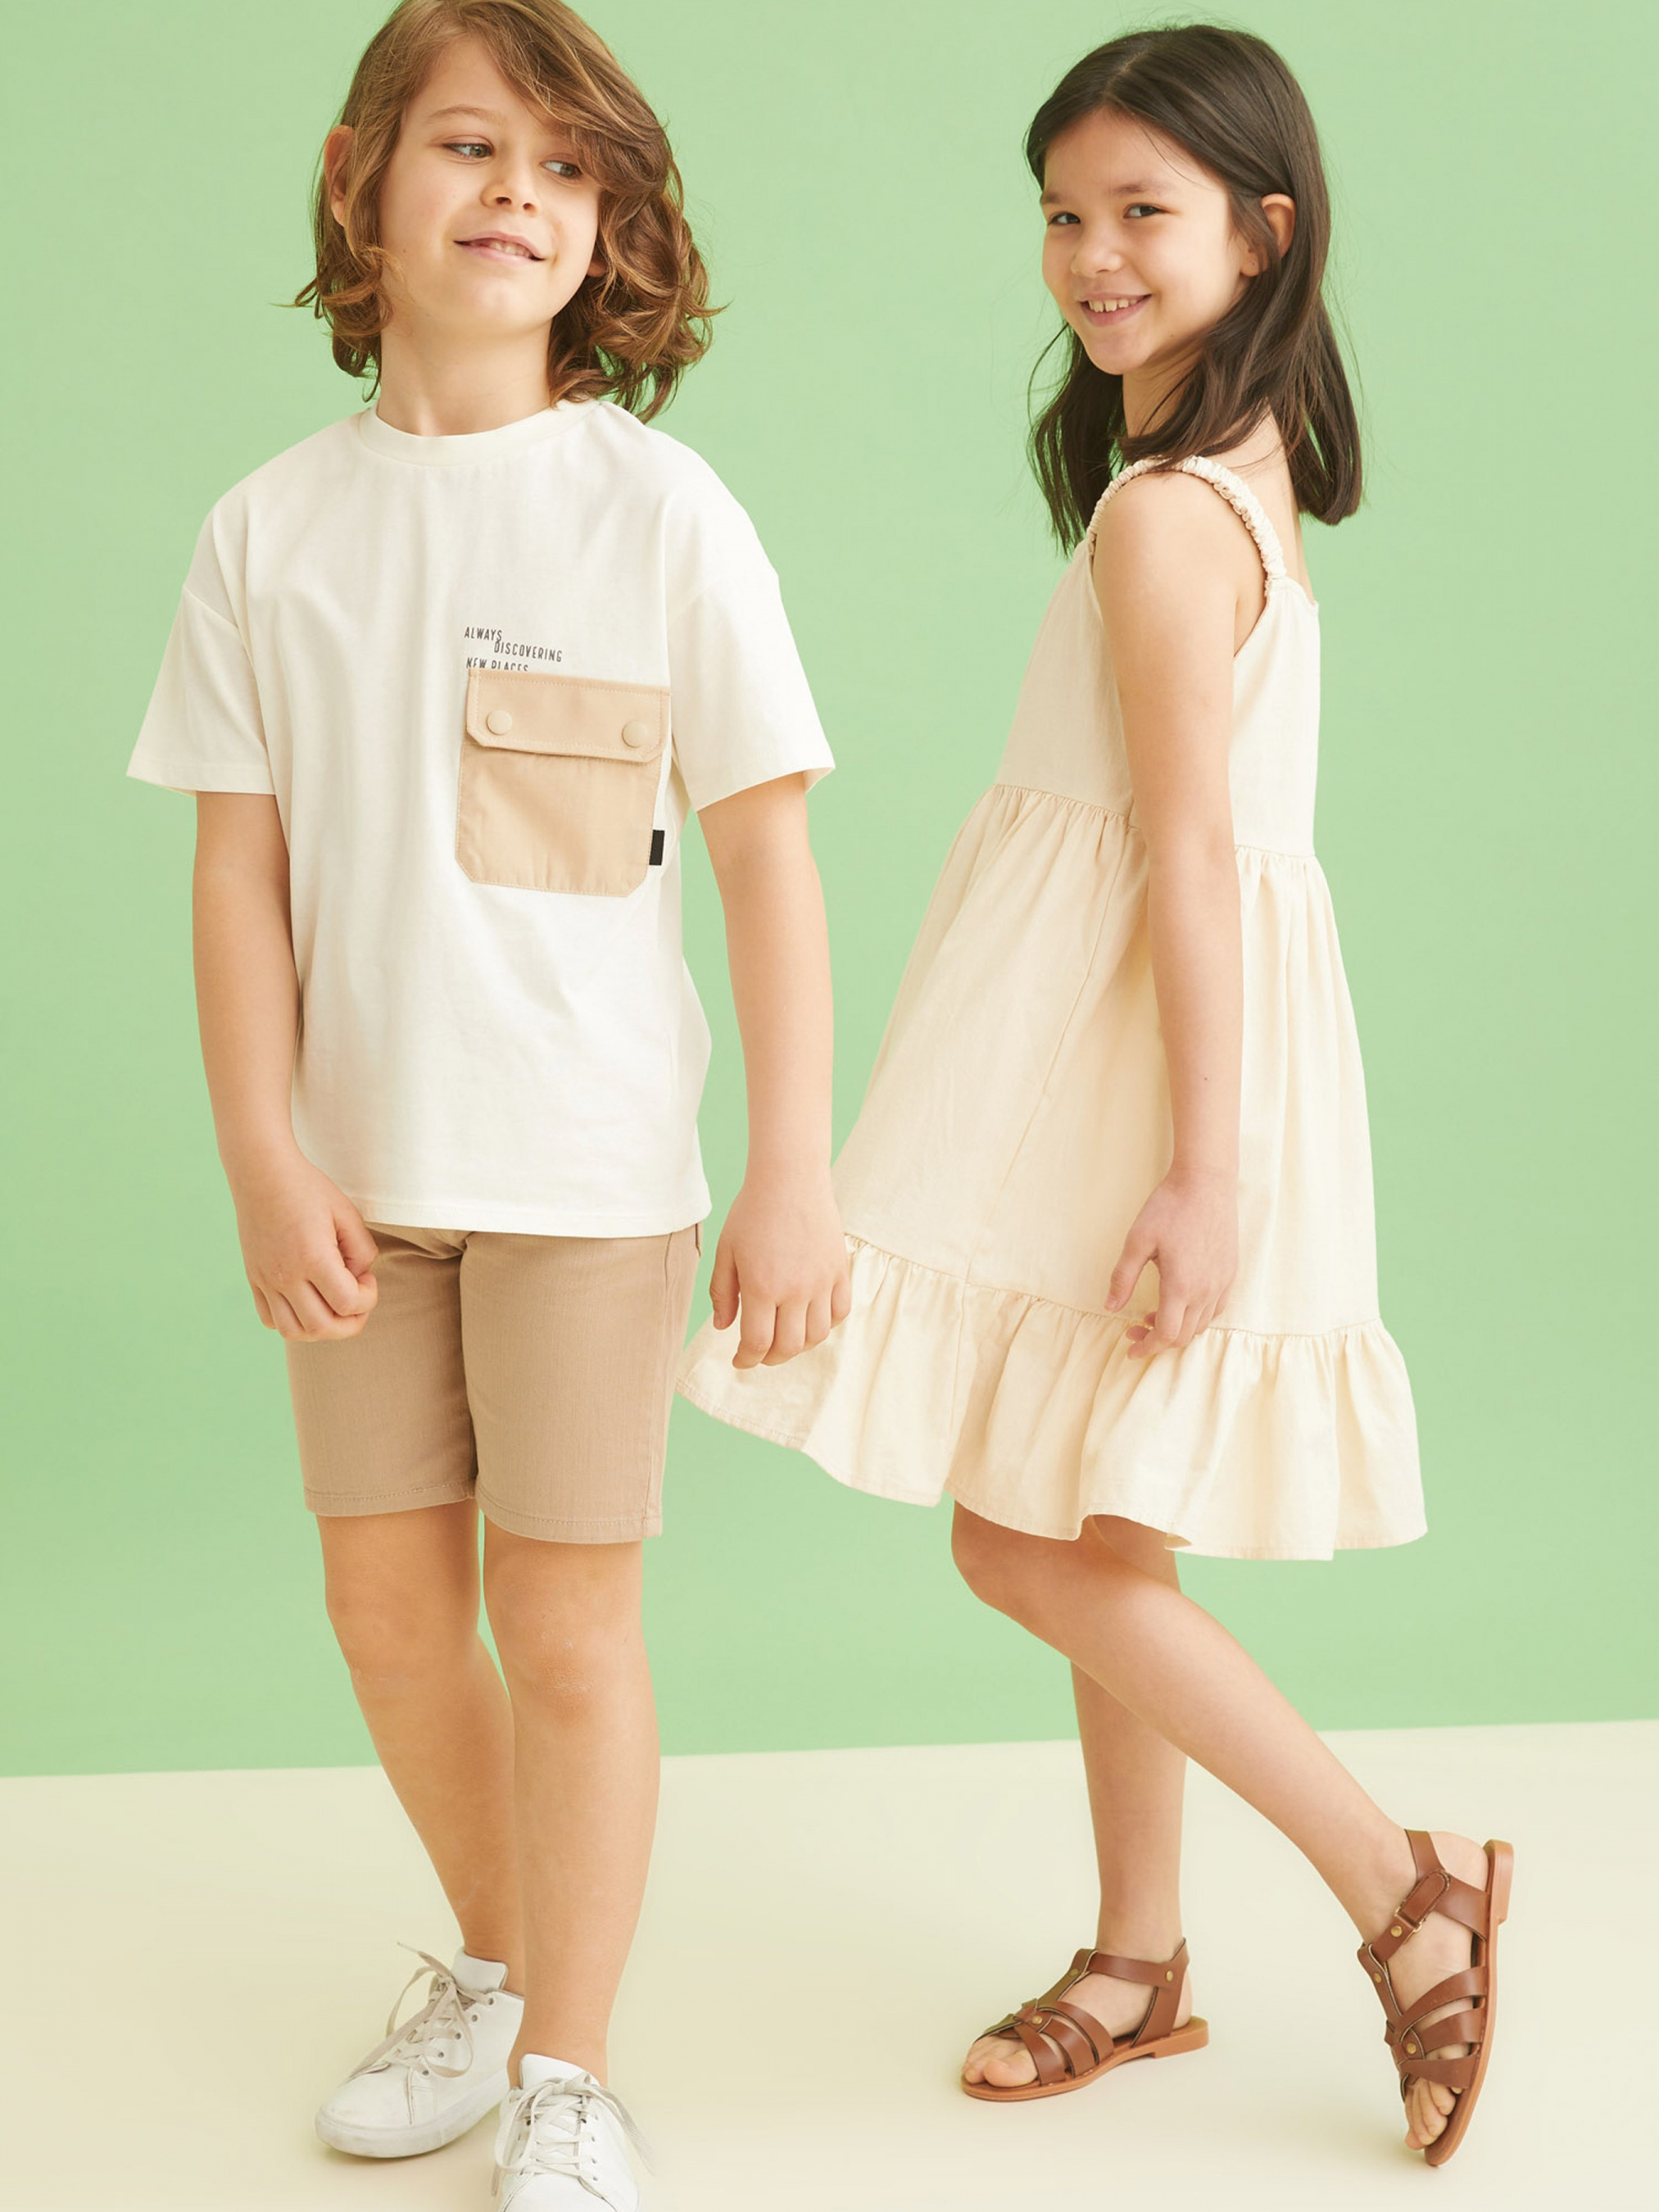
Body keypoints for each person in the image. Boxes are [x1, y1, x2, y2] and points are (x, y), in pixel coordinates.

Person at [679, 24, 1510, 2167]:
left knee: (1022, 1532)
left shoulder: (1166, 517)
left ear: (1263, 232)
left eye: (1144, 210)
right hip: (1141, 1048)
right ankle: (1139, 1957)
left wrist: (1205, 1170)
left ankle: (1400, 1883)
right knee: (1092, 1505)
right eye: (1064, 213)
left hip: (1133, 1061)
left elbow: (1191, 856)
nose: (1091, 256)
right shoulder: (1223, 484)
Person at [128, 2, 847, 2204]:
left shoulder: (659, 509)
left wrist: (794, 1170)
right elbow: (235, 872)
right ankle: (501, 1958)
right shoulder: (267, 529)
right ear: (365, 179)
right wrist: (261, 1148)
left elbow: (766, 854)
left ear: (606, 228)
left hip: (589, 1178)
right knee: (381, 1611)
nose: (517, 192)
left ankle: (570, 2068)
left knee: (563, 1623)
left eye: (564, 165)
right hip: (358, 1177)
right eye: (467, 146)